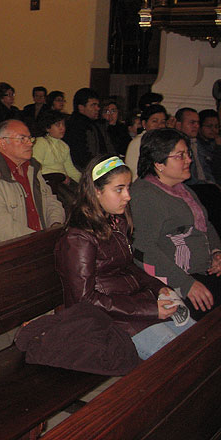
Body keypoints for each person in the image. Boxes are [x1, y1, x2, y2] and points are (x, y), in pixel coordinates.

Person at [55, 154, 194, 360]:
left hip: (132, 306)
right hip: (107, 321)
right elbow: (83, 300)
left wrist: (158, 288)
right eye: (119, 189)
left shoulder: (114, 222)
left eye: (128, 187)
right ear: (96, 192)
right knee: (178, 356)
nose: (128, 196)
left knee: (197, 338)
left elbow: (129, 266)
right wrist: (150, 310)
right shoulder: (78, 238)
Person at [131, 128, 221, 321]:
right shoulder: (145, 195)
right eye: (180, 156)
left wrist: (216, 252)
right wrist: (186, 284)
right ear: (158, 163)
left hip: (204, 272)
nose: (189, 160)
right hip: (177, 281)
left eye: (188, 154)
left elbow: (206, 225)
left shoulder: (182, 189)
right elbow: (142, 249)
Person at [0, 119, 64, 252]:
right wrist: (40, 243)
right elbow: (1, 227)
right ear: (3, 143)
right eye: (22, 139)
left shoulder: (31, 168)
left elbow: (50, 201)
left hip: (34, 244)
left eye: (30, 138)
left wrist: (55, 226)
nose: (29, 144)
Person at [32, 110, 81, 213]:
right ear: (47, 128)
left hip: (64, 181)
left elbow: (70, 169)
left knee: (84, 197)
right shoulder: (41, 142)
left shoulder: (64, 146)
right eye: (57, 125)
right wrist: (58, 176)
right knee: (72, 202)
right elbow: (35, 168)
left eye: (63, 124)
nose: (62, 128)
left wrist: (85, 182)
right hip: (49, 182)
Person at [64, 87, 116, 170]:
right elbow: (80, 157)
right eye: (93, 105)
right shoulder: (75, 126)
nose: (97, 108)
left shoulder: (97, 124)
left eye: (97, 105)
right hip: (88, 171)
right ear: (81, 107)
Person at [125, 104, 167, 181]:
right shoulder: (138, 143)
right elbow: (133, 174)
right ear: (144, 124)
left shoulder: (163, 142)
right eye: (155, 121)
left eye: (163, 122)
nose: (159, 125)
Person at [197, 109, 221, 184]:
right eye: (209, 126)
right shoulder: (196, 145)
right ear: (199, 127)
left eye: (216, 126)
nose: (214, 130)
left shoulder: (216, 142)